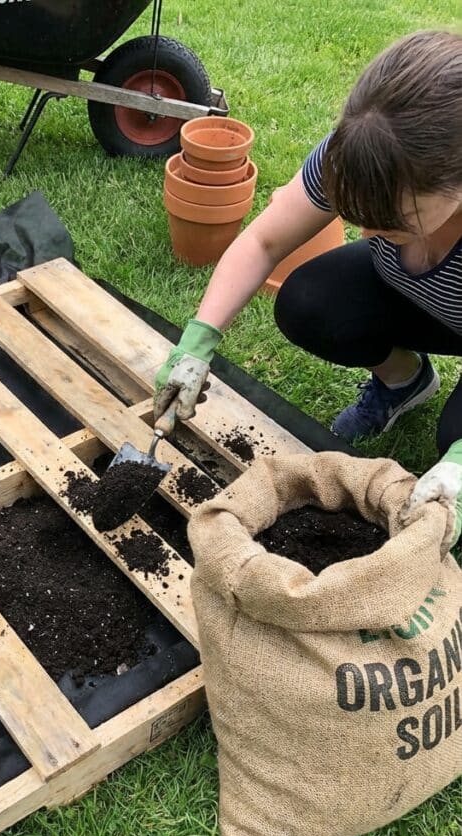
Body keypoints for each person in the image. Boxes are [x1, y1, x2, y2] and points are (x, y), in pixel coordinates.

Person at [154, 30, 462, 549]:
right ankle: (405, 381)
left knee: (451, 441)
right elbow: (264, 242)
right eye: (360, 214)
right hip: (425, 300)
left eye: (391, 221)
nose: (366, 234)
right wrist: (196, 343)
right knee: (309, 302)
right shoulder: (358, 154)